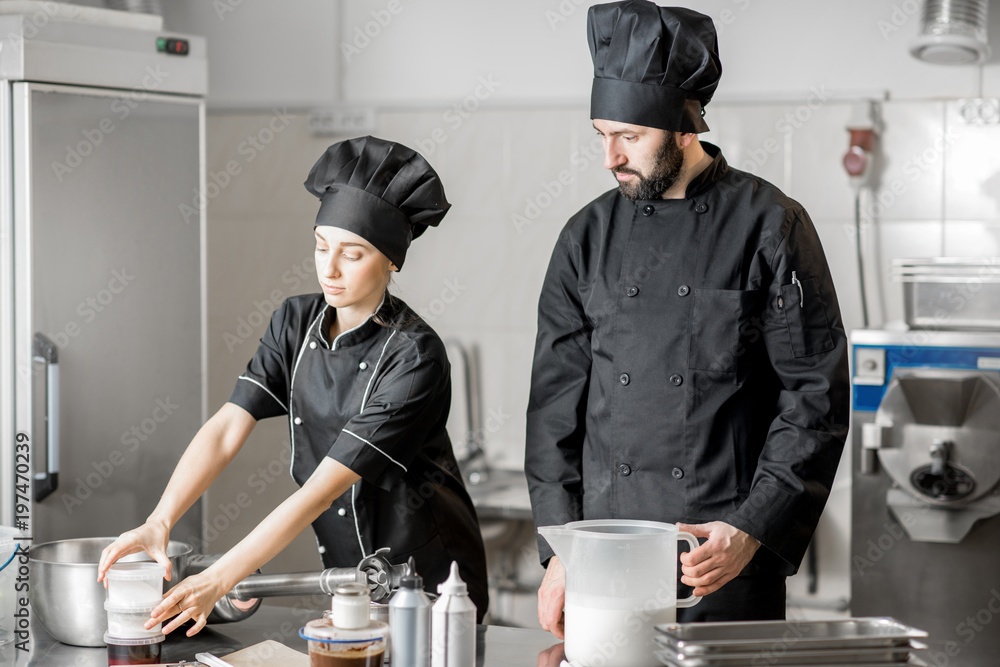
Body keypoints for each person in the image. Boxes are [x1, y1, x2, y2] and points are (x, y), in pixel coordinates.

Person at [525, 1, 850, 636]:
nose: (610, 158)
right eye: (601, 135)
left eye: (629, 137)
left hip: (720, 560)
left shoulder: (770, 224)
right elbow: (553, 410)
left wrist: (753, 527)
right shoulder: (584, 237)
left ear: (683, 126)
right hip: (604, 556)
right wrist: (560, 549)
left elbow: (814, 394)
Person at [98, 136, 489, 635]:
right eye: (321, 245)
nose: (329, 268)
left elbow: (320, 492)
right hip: (354, 577)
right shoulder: (295, 321)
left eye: (352, 253)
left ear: (392, 260)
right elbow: (226, 428)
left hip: (429, 584)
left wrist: (219, 578)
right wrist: (161, 519)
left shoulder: (415, 356)